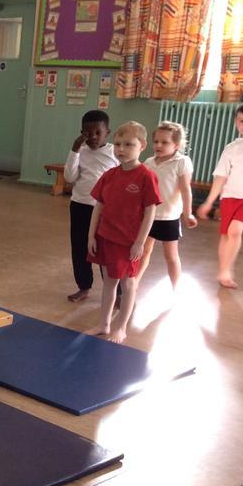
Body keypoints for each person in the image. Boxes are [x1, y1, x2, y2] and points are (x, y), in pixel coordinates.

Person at [87, 121, 161, 343]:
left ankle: (121, 328)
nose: (121, 149)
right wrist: (91, 235)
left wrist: (140, 242)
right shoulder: (109, 175)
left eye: (129, 144)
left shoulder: (146, 176)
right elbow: (99, 206)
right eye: (118, 144)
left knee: (128, 284)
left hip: (128, 242)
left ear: (142, 146)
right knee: (109, 282)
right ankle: (104, 323)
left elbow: (150, 212)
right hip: (105, 237)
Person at [64, 109, 119, 302]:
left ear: (107, 133)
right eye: (88, 133)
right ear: (82, 133)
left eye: (98, 132)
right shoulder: (80, 152)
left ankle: (115, 292)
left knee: (106, 250)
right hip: (80, 205)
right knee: (79, 248)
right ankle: (84, 286)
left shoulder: (115, 152)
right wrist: (74, 150)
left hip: (105, 209)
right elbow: (69, 177)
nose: (93, 137)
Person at [135, 121, 197, 289]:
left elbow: (185, 190)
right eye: (156, 141)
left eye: (164, 142)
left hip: (168, 217)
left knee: (171, 256)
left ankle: (176, 289)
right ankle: (133, 285)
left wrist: (188, 213)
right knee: (143, 252)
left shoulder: (181, 162)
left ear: (176, 145)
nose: (158, 145)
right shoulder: (148, 162)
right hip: (149, 216)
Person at [196, 102, 243, 288]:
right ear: (235, 122)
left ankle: (228, 271)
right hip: (229, 197)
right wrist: (208, 202)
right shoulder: (231, 148)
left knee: (235, 231)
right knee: (226, 235)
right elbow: (220, 177)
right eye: (242, 121)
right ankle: (223, 271)